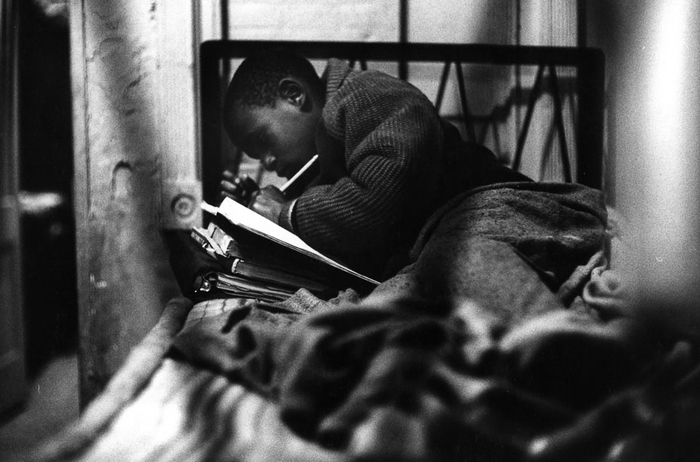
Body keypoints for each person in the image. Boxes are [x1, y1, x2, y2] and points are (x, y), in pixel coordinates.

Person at [221, 50, 530, 279]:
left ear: (294, 95)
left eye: (262, 140)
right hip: (441, 235)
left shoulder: (366, 95)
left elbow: (375, 203)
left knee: (461, 271)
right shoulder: (327, 152)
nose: (268, 162)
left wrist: (284, 212)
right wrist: (257, 212)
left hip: (494, 207)